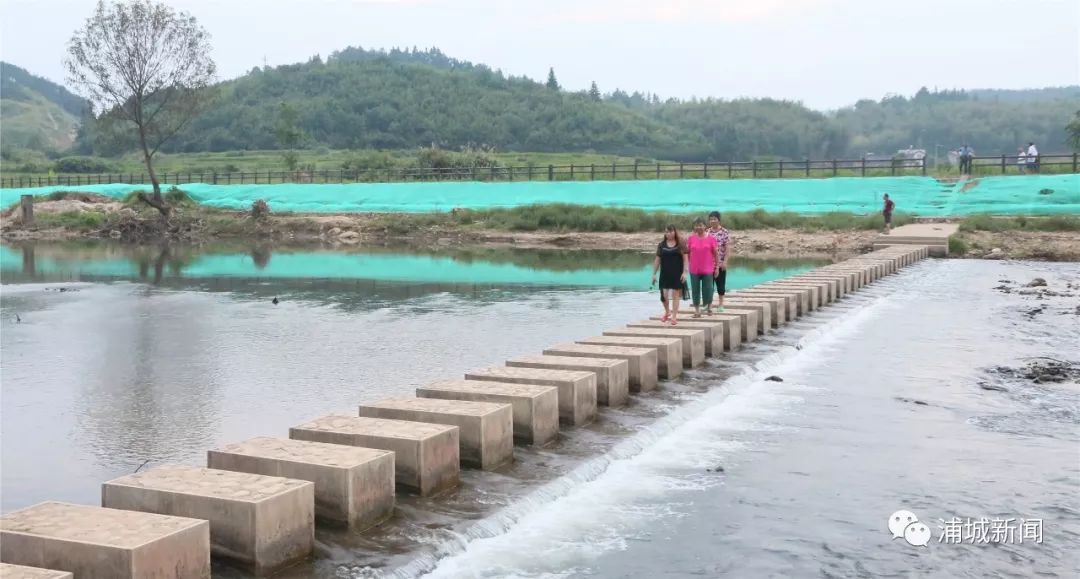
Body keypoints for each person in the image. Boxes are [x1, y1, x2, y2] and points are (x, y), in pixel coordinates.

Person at [651, 225, 688, 325]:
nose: (669, 234)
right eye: (667, 232)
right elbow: (657, 260)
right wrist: (654, 274)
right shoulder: (661, 245)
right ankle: (667, 312)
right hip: (665, 274)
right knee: (664, 296)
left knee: (676, 295)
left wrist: (685, 272)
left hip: (677, 273)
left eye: (671, 231)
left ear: (675, 232)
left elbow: (685, 260)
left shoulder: (681, 244)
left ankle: (674, 316)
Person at [686, 218, 719, 318]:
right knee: (695, 290)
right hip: (694, 269)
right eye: (696, 225)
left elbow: (716, 254)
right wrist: (687, 265)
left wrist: (717, 267)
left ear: (705, 226)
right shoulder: (691, 238)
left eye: (700, 225)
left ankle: (709, 307)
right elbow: (687, 253)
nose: (698, 227)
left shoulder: (711, 239)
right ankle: (697, 311)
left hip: (708, 269)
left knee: (708, 289)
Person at [707, 211, 731, 312]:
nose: (713, 221)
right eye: (711, 219)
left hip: (720, 263)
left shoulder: (724, 232)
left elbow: (728, 248)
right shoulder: (707, 232)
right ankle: (709, 304)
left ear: (719, 220)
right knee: (709, 285)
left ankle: (721, 305)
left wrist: (725, 261)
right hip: (708, 264)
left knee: (720, 285)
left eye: (714, 219)